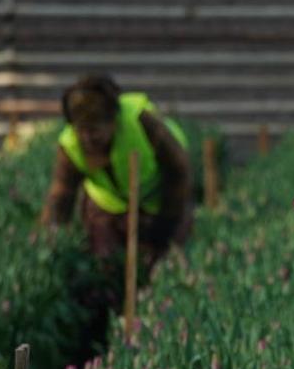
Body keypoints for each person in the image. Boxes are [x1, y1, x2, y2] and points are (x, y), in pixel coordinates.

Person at [40, 74, 193, 272]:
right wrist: (48, 241)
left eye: (94, 130)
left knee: (162, 264)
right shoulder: (70, 146)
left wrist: (161, 231)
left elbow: (179, 174)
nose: (87, 138)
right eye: (81, 130)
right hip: (108, 207)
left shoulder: (141, 123)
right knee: (106, 267)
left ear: (112, 121)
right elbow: (61, 197)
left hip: (158, 202)